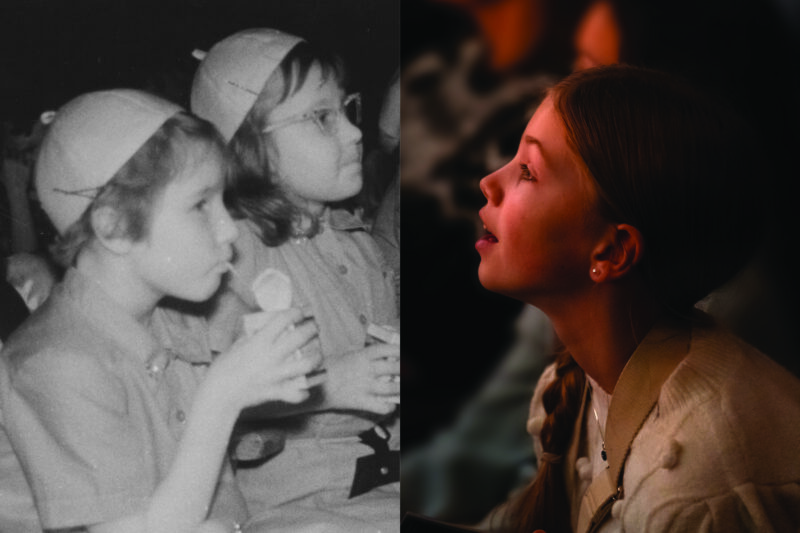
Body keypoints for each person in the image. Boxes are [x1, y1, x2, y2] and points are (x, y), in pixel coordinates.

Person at [473, 64, 800, 532]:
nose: (489, 182)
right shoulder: (569, 389)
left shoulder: (692, 489)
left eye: (528, 170)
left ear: (611, 251)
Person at [0, 89, 321, 532]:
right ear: (113, 226)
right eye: (200, 205)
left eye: (223, 203)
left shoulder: (178, 318)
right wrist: (222, 396)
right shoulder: (57, 363)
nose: (229, 229)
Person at [190, 29, 400, 531]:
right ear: (249, 149)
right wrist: (326, 387)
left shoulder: (354, 239)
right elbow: (190, 401)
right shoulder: (228, 257)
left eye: (347, 109)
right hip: (303, 506)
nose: (354, 132)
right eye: (320, 118)